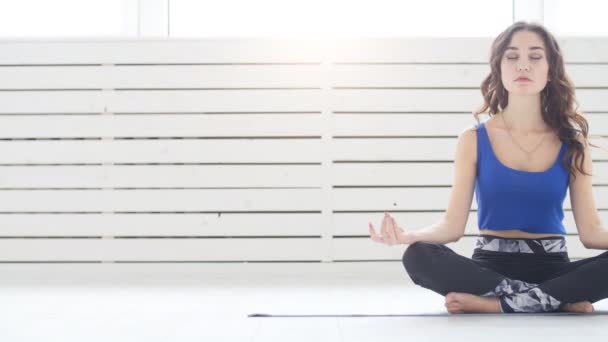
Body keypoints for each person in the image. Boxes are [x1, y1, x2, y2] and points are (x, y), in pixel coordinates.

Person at [368, 21, 608, 314]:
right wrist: (408, 237)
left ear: (550, 69)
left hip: (554, 269)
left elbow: (592, 233)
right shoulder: (473, 139)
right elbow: (452, 227)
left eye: (535, 57)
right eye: (512, 57)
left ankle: (497, 305)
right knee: (418, 255)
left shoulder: (572, 142)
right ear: (499, 67)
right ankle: (550, 301)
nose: (523, 66)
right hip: (491, 272)